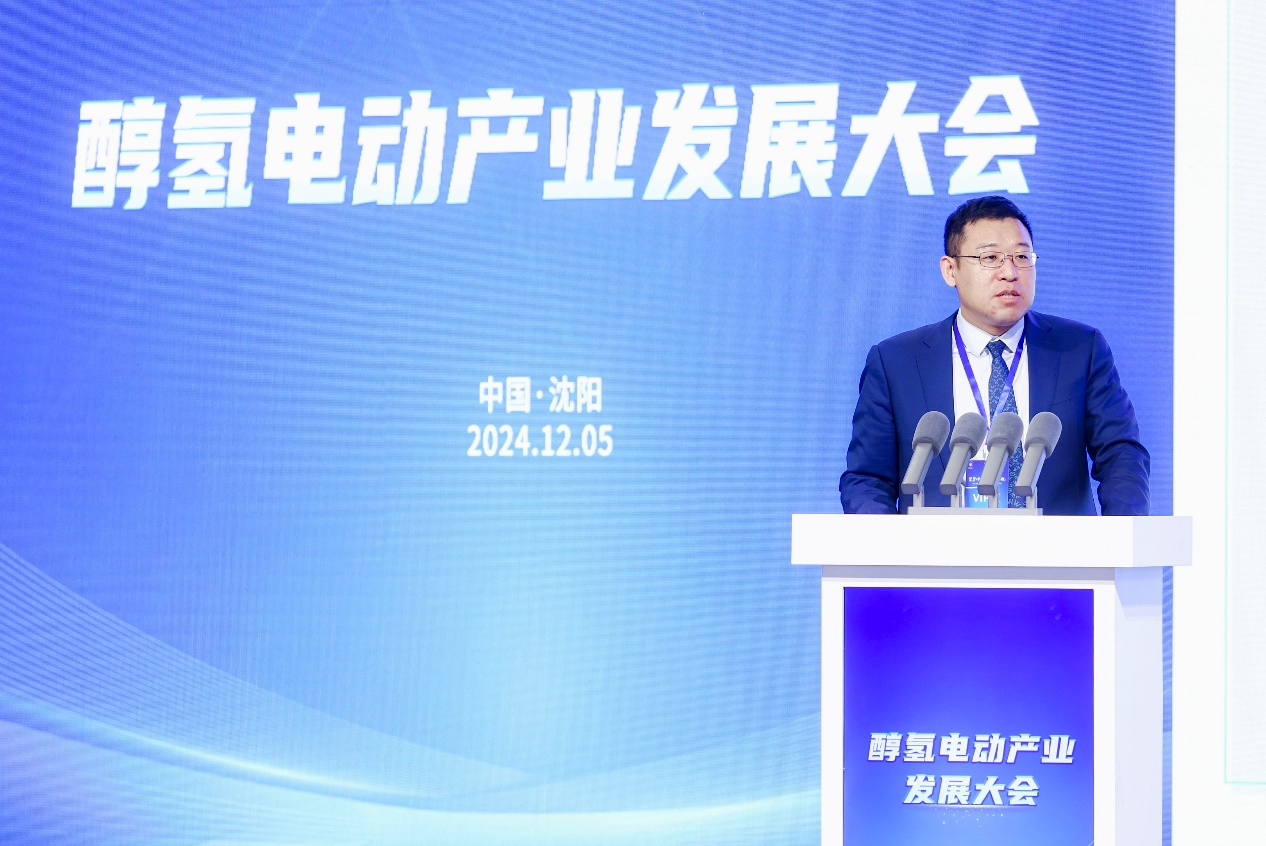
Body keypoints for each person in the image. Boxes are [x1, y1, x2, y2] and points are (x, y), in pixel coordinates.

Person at [838, 195, 1150, 516]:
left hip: (1057, 546)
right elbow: (868, 479)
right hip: (937, 547)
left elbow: (1121, 454)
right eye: (990, 258)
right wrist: (888, 543)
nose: (1010, 272)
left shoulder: (1080, 349)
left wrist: (1123, 533)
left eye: (1022, 256)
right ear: (950, 270)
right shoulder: (896, 362)